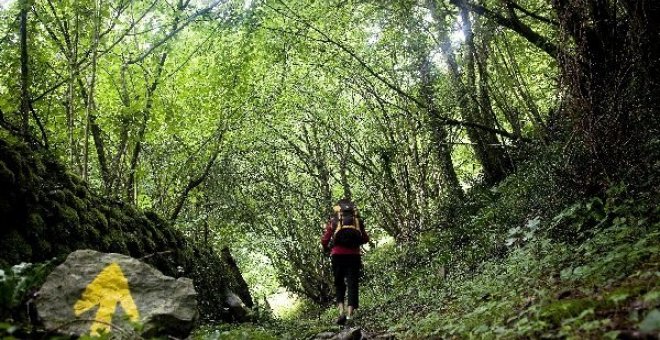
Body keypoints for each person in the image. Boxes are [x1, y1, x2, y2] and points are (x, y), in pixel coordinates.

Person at [321, 199, 369, 326]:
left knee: (339, 284)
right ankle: (349, 316)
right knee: (352, 284)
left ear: (339, 209)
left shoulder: (334, 220)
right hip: (354, 256)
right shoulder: (357, 220)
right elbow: (365, 238)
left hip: (337, 256)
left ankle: (341, 312)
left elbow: (325, 239)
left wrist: (327, 247)